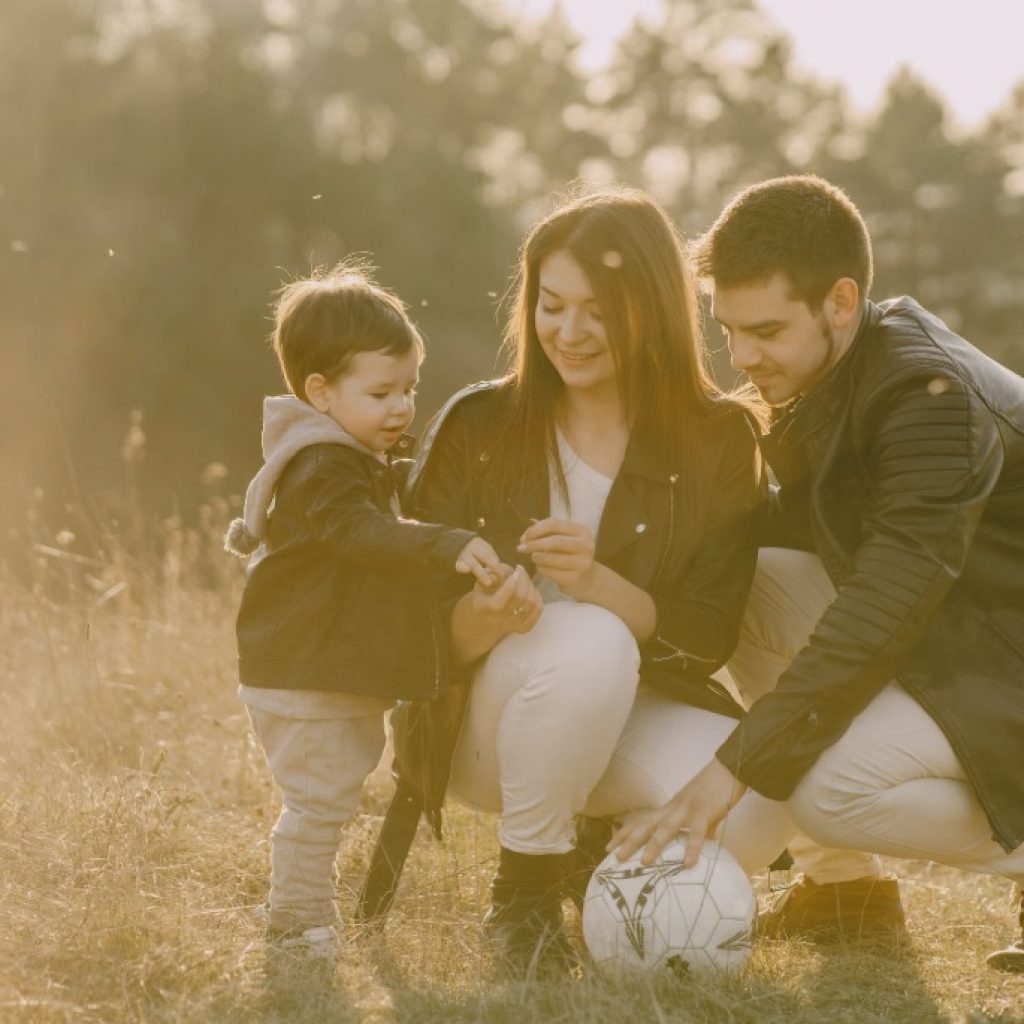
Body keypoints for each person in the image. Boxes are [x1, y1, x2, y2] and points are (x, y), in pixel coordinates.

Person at [610, 174, 1024, 972]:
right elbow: (774, 540)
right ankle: (846, 892)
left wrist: (733, 767)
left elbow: (887, 597)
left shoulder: (927, 396)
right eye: (728, 331)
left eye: (765, 330)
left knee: (824, 788)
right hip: (963, 638)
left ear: (840, 302)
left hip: (1001, 659)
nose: (743, 357)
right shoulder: (828, 372)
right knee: (750, 581)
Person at [385, 186, 797, 975]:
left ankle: (596, 862)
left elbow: (707, 633)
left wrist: (601, 581)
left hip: (624, 712)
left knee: (764, 802)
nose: (568, 334)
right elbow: (406, 634)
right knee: (586, 643)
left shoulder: (716, 438)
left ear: (652, 311)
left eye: (598, 311)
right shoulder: (480, 425)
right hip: (485, 729)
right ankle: (525, 897)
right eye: (552, 305)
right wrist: (484, 615)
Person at [224, 262, 502, 958]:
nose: (402, 406)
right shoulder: (325, 467)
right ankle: (295, 925)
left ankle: (301, 916)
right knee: (318, 805)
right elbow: (360, 533)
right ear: (319, 392)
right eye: (381, 391)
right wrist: (448, 544)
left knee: (331, 797)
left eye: (409, 387)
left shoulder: (346, 456)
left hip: (317, 664)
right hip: (302, 667)